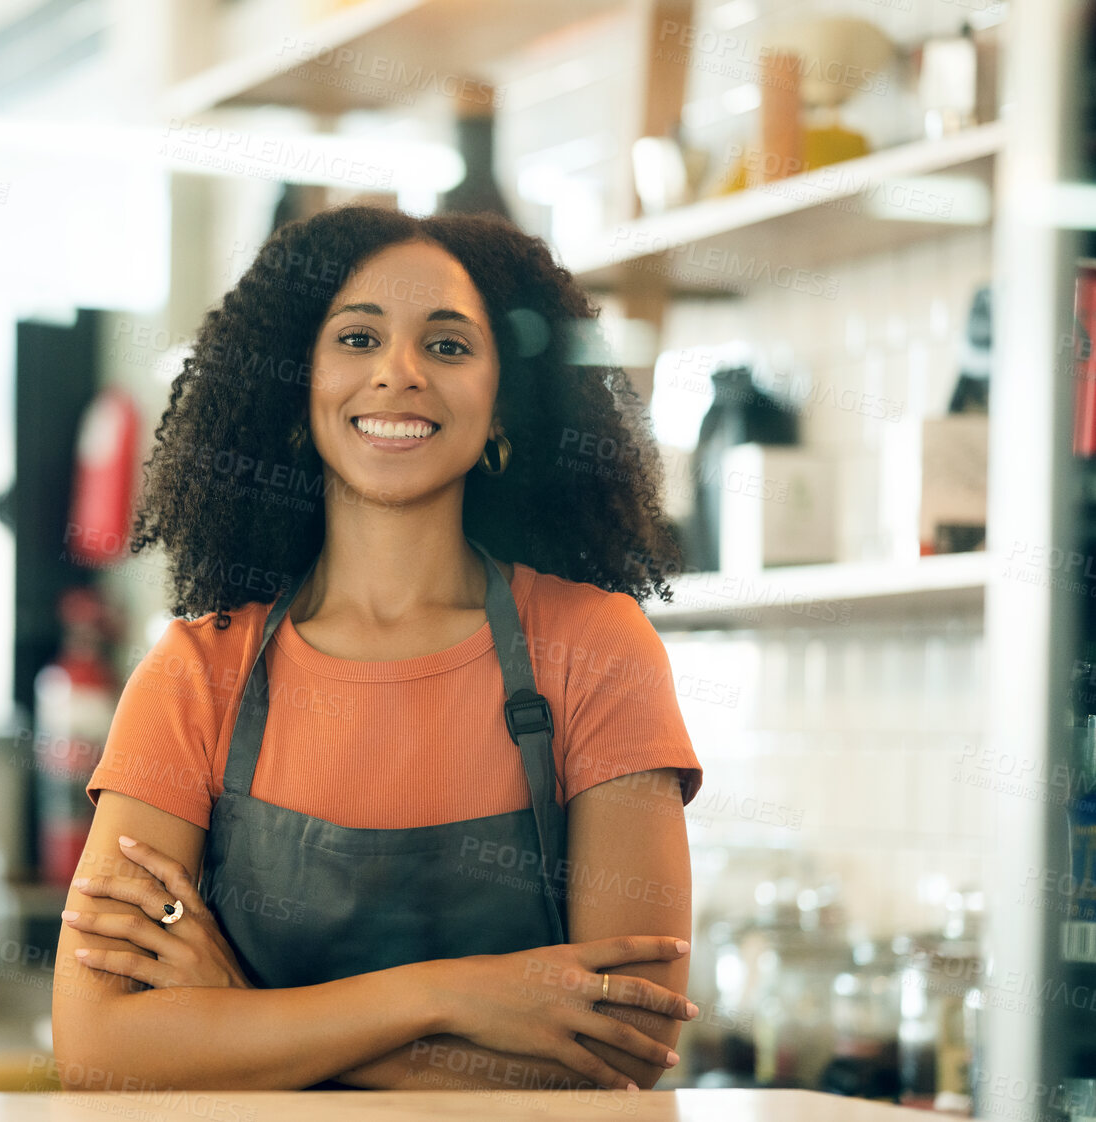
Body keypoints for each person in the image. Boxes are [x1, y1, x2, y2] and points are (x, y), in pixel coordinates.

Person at [49, 205, 704, 1093]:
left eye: (447, 346)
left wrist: (238, 1014)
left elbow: (624, 1052)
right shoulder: (197, 675)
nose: (399, 374)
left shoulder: (596, 649)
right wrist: (449, 999)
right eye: (357, 339)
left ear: (502, 403)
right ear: (295, 391)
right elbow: (98, 1047)